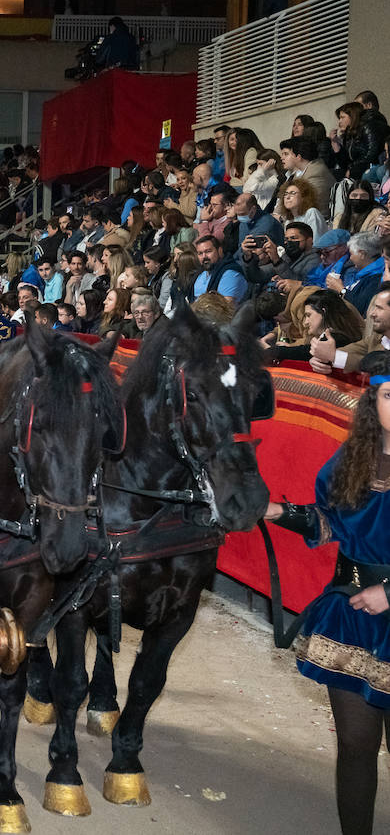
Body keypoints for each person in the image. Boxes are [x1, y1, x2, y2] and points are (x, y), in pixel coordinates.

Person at [266, 352, 390, 834]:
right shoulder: (350, 461)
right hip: (352, 615)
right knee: (356, 746)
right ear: (372, 401)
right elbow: (327, 521)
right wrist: (276, 511)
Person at [311, 288, 390, 374]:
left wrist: (334, 356)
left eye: (379, 308)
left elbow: (378, 365)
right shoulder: (376, 339)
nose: (372, 314)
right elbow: (348, 352)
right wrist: (321, 358)